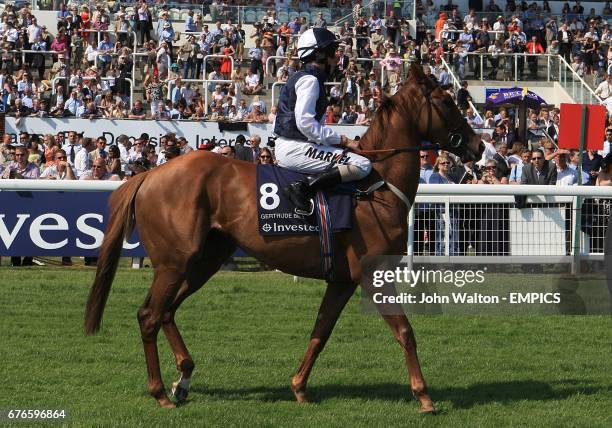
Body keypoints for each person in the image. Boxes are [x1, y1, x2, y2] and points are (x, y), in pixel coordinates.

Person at [274, 28, 372, 213]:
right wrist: (343, 140)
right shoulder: (310, 80)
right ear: (319, 54)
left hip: (293, 144)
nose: (337, 57)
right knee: (362, 165)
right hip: (295, 148)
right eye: (333, 51)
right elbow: (305, 123)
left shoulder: (304, 77)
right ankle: (303, 188)